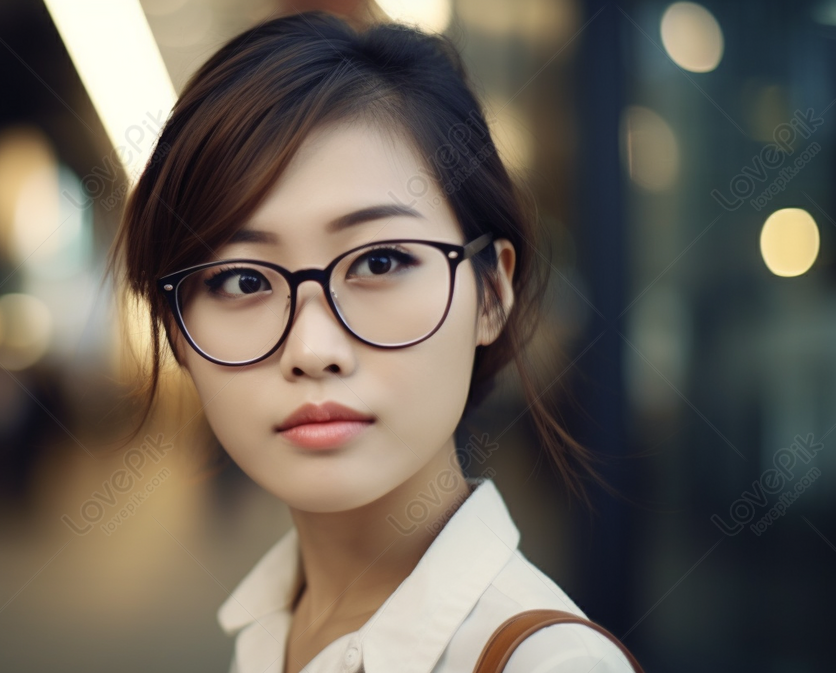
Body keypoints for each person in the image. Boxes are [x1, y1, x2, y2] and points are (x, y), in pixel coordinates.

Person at [109, 10, 635, 673]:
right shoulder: (273, 627)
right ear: (176, 328)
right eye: (241, 279)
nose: (312, 348)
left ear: (492, 294)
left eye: (380, 262)